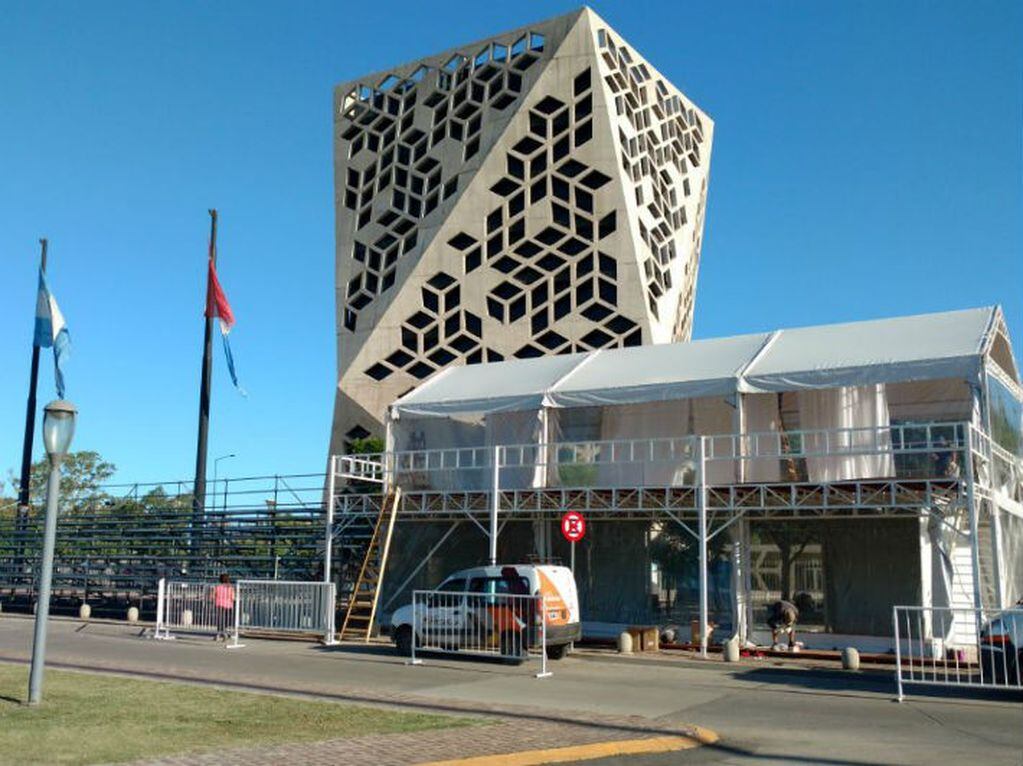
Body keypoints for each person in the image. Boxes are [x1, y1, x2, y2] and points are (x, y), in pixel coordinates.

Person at [213, 573, 235, 640]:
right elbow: (233, 597)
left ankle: (219, 634)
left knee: (220, 619)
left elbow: (212, 596)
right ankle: (225, 633)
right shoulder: (230, 587)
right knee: (226, 620)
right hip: (228, 605)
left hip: (219, 604)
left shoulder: (217, 586)